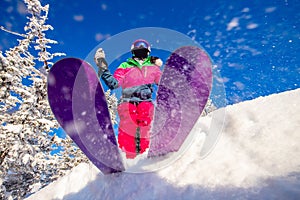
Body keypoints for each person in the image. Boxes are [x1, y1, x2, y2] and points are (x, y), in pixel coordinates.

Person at [94, 39, 163, 159]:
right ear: (133, 52)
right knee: (128, 129)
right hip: (127, 101)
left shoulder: (153, 68)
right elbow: (114, 84)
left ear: (148, 52)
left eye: (143, 49)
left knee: (145, 128)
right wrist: (103, 67)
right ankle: (129, 158)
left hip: (145, 102)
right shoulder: (125, 66)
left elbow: (163, 83)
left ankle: (144, 157)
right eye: (138, 50)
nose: (140, 52)